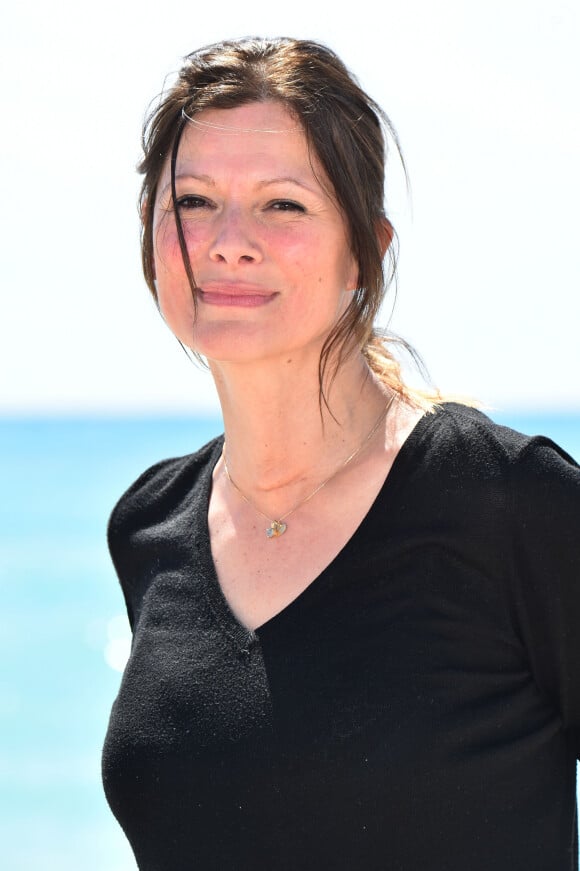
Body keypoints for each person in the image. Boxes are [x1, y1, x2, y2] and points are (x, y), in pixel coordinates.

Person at [101, 37, 580, 871]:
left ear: (367, 249)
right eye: (194, 201)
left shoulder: (511, 502)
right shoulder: (149, 526)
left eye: (282, 205)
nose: (228, 240)